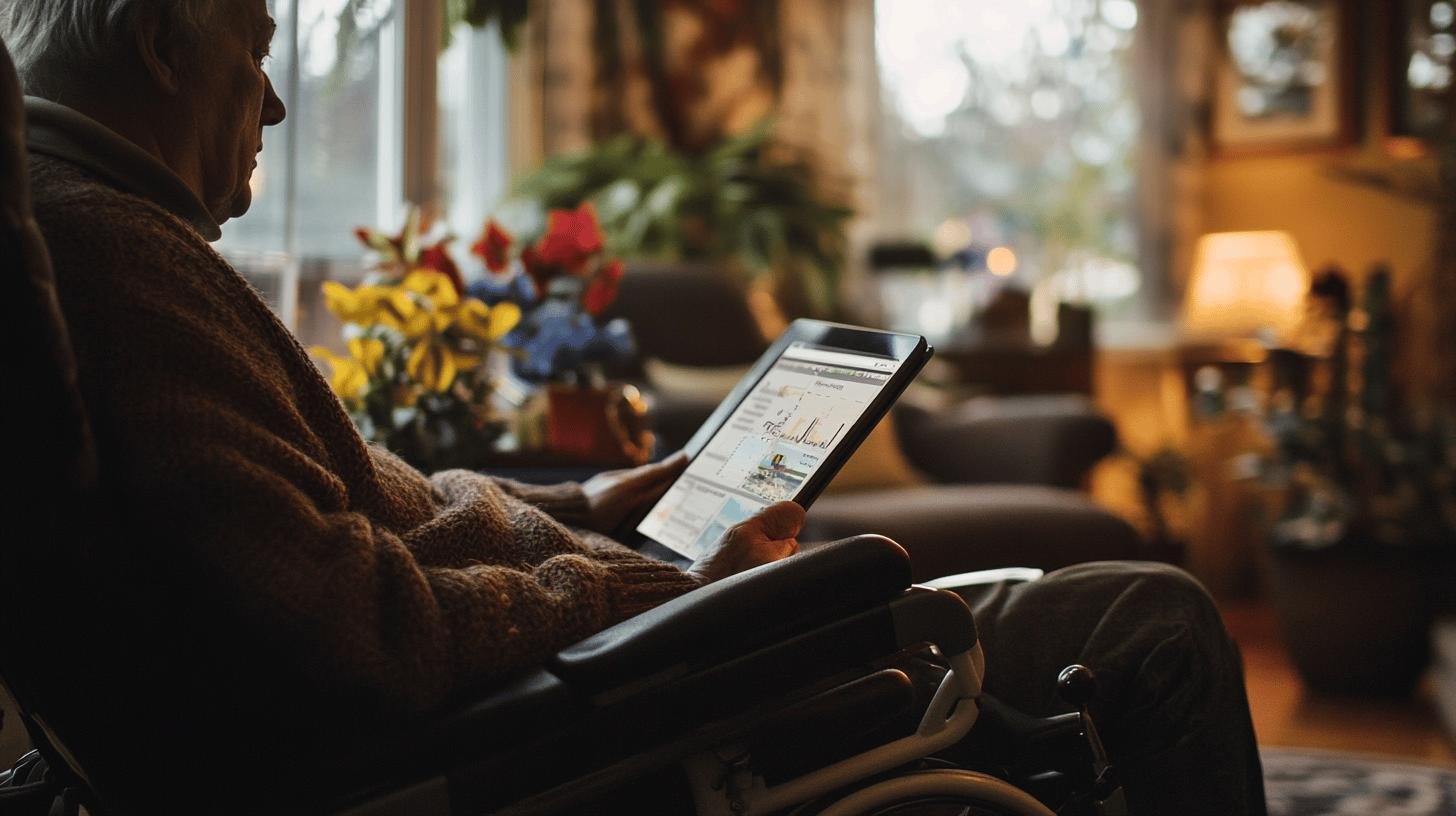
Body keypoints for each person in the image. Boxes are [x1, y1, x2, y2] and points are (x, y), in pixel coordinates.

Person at [0, 1, 1266, 812]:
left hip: (555, 649)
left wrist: (588, 502)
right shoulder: (119, 265)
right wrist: (669, 589)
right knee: (1150, 616)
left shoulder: (87, 236)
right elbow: (359, 626)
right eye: (259, 51)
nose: (275, 103)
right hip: (555, 709)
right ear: (166, 45)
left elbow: (348, 526)